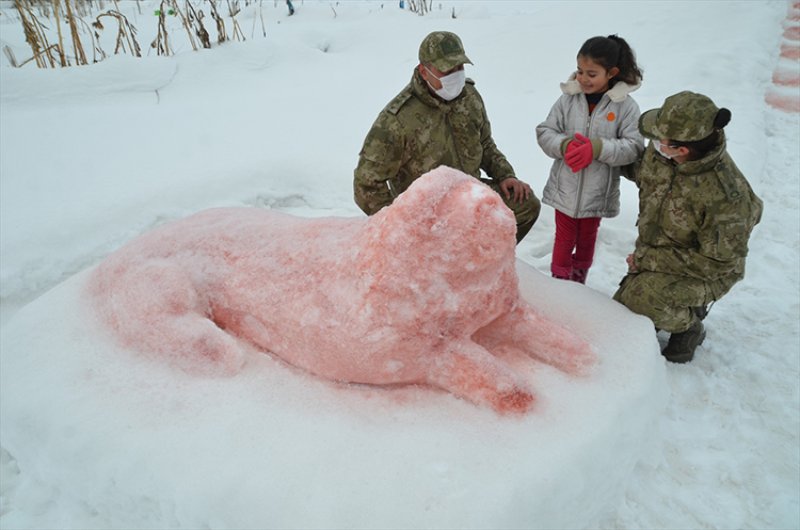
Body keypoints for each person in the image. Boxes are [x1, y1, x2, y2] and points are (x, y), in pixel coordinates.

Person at [614, 91, 763, 363]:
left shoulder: (727, 199)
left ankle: (689, 325)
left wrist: (648, 259)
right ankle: (664, 307)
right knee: (621, 313)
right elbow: (644, 174)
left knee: (641, 299)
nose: (653, 142)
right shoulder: (663, 154)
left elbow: (717, 263)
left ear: (681, 150)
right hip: (659, 251)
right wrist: (603, 155)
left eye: (659, 140)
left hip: (708, 271)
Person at [353, 31, 541, 244]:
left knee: (525, 206)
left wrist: (506, 175)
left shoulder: (469, 97)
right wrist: (398, 224)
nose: (456, 74)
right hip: (426, 214)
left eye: (459, 67)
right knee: (435, 248)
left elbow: (485, 144)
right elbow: (366, 183)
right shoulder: (397, 120)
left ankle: (483, 264)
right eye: (447, 69)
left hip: (470, 196)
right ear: (424, 71)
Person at [536, 35, 644, 284]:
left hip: (597, 191)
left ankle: (578, 282)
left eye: (592, 74)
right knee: (563, 238)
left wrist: (597, 148)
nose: (583, 79)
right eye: (580, 71)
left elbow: (634, 146)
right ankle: (559, 281)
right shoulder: (568, 99)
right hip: (565, 187)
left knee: (586, 239)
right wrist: (564, 145)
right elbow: (545, 131)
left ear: (612, 73)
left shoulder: (625, 107)